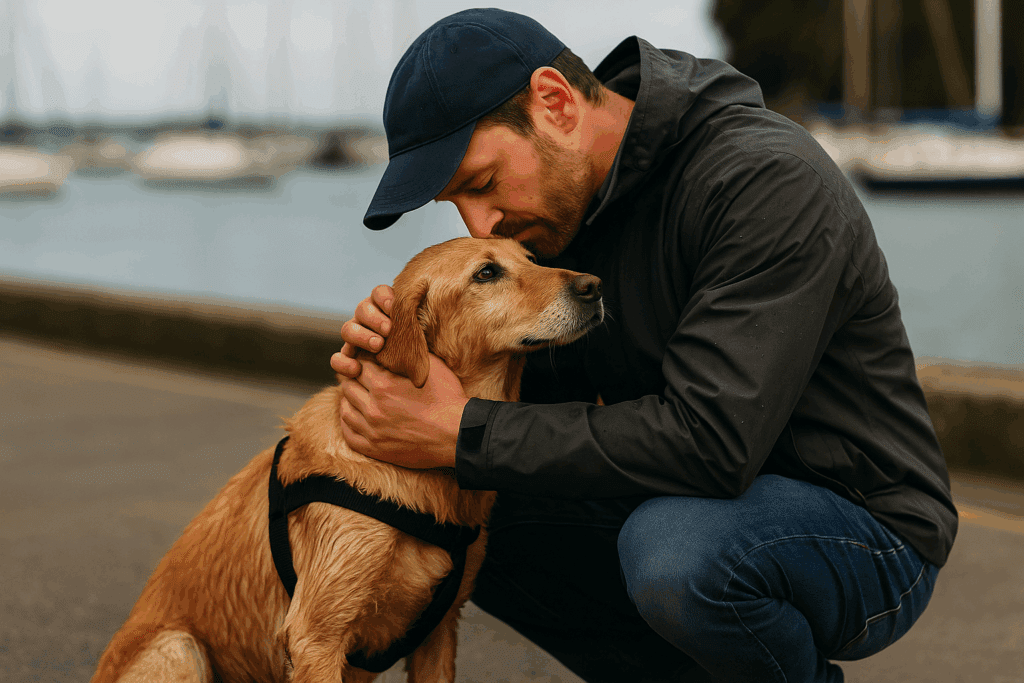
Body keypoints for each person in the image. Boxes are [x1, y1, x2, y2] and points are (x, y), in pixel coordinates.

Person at [330, 8, 958, 683]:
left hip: (859, 521)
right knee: (458, 512)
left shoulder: (763, 182)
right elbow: (517, 412)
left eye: (481, 183)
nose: (480, 223)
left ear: (555, 102)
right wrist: (409, 359)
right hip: (673, 491)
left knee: (675, 552)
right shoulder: (556, 218)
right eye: (457, 204)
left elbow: (711, 442)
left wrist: (460, 433)